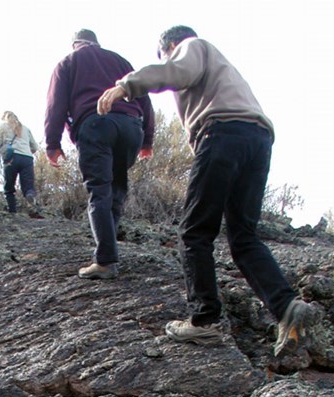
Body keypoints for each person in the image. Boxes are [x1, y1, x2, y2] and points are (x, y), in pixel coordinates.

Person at [97, 25, 315, 356]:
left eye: (164, 54)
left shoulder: (191, 46)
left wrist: (126, 86)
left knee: (194, 233)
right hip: (257, 140)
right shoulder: (224, 70)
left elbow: (177, 72)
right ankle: (287, 308)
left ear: (169, 45)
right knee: (244, 238)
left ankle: (204, 321)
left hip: (223, 134)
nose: (168, 58)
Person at [44, 29, 155, 279]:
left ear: (76, 44)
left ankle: (105, 261)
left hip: (95, 125)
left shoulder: (68, 62)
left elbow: (56, 104)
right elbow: (145, 99)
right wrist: (147, 139)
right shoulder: (120, 60)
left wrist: (52, 144)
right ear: (96, 42)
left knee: (99, 190)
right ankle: (108, 254)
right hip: (131, 126)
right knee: (117, 188)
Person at [0, 111, 42, 217]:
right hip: (27, 158)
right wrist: (25, 150)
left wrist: (2, 152)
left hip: (11, 157)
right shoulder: (26, 129)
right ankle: (30, 198)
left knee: (9, 186)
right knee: (28, 186)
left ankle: (12, 211)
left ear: (4, 118)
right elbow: (34, 147)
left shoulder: (3, 126)